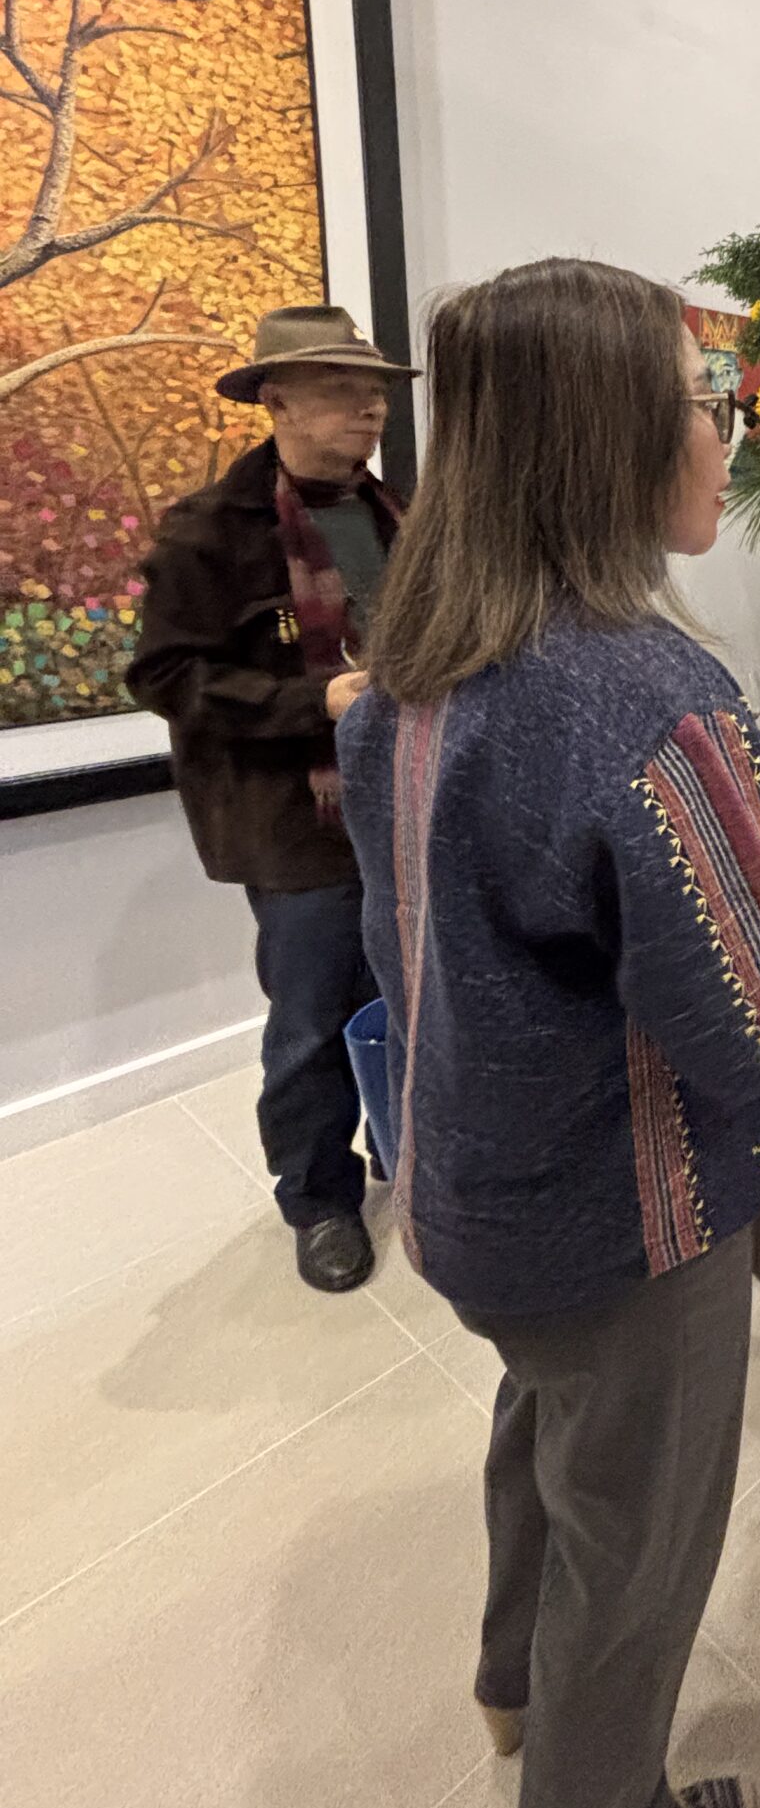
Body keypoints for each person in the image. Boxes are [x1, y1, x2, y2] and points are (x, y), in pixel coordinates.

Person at [338, 258, 760, 1808]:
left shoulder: (410, 679)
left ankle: (515, 1690)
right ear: (612, 437)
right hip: (626, 1221)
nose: (728, 435)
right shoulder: (646, 700)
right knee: (635, 1550)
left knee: (548, 1436)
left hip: (472, 1195)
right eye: (706, 402)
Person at [128, 304, 416, 1294]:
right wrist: (314, 701)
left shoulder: (396, 515)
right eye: (344, 389)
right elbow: (165, 676)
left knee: (407, 993)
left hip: (405, 801)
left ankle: (403, 1154)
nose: (371, 407)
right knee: (310, 1019)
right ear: (277, 400)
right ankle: (319, 1200)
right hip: (297, 823)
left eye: (376, 390)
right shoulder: (210, 533)